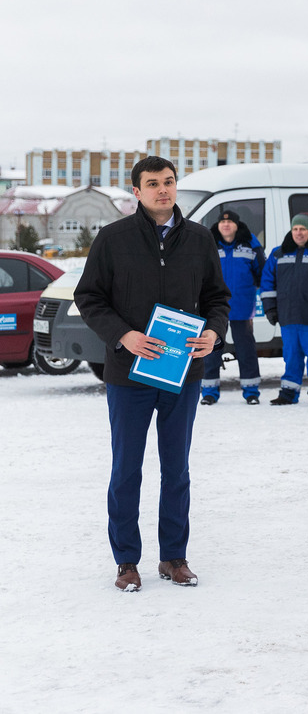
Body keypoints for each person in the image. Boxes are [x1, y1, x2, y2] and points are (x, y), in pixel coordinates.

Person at [73, 156, 231, 591]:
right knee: (127, 468)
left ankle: (173, 557)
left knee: (176, 468)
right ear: (137, 192)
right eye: (153, 184)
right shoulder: (113, 239)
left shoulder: (200, 240)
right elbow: (89, 297)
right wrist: (123, 335)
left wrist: (214, 332)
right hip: (129, 375)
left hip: (183, 373)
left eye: (169, 182)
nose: (163, 189)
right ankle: (126, 561)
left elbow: (218, 297)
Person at [260, 214, 308, 407]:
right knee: (291, 356)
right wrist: (270, 308)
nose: (299, 233)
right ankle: (288, 393)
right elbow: (267, 281)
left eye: (303, 229)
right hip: (288, 316)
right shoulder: (279, 253)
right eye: (295, 229)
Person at [200, 210, 266, 405]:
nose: (226, 225)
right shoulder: (209, 245)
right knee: (211, 350)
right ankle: (209, 392)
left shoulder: (251, 245)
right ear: (218, 226)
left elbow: (262, 272)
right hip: (214, 309)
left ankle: (251, 391)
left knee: (246, 351)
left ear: (237, 226)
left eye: (230, 222)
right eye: (222, 222)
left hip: (242, 307)